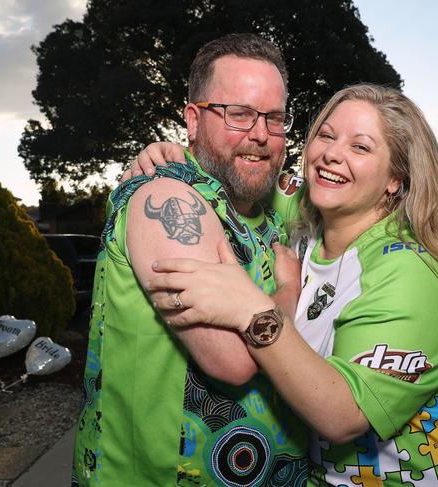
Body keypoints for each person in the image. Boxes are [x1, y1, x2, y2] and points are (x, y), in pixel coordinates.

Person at [145, 84, 438, 486]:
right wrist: (177, 159)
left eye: (361, 148)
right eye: (326, 136)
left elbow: (343, 416)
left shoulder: (408, 274)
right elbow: (240, 170)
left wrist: (252, 309)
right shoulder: (310, 213)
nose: (332, 154)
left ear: (395, 179)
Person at [72, 33, 309, 486]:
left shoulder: (273, 203)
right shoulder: (165, 200)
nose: (260, 134)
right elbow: (235, 361)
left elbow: (353, 195)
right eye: (238, 114)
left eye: (274, 119)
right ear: (194, 120)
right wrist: (289, 289)